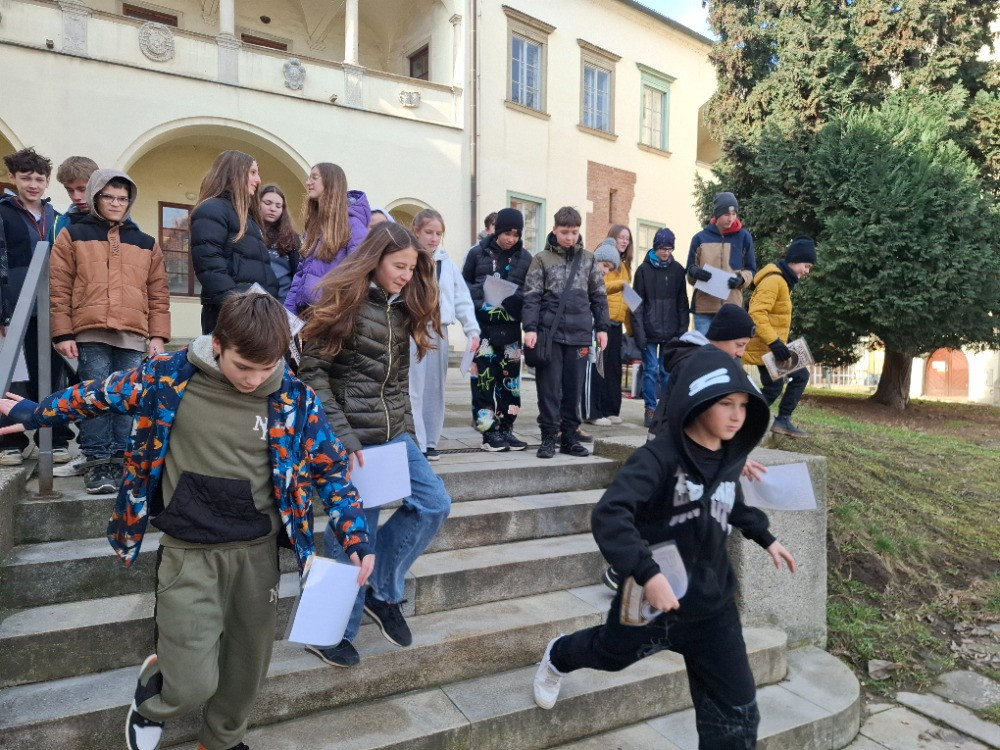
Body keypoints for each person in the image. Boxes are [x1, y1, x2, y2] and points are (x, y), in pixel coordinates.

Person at [0, 291, 373, 750]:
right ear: (218, 344)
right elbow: (101, 393)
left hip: (257, 556)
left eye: (266, 368)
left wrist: (355, 537)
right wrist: (36, 413)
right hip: (189, 551)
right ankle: (155, 695)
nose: (255, 379)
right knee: (192, 683)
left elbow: (331, 469)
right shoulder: (169, 376)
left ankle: (220, 742)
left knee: (245, 673)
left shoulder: (296, 399)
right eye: (244, 367)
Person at [532, 346, 796, 750]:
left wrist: (766, 536)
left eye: (743, 405)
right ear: (698, 401)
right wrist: (648, 573)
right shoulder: (657, 458)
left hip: (713, 608)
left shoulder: (729, 457)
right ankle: (558, 655)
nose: (737, 415)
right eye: (725, 404)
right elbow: (610, 514)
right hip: (651, 601)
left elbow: (730, 501)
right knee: (610, 653)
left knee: (737, 712)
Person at [298, 222, 451, 667]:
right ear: (375, 259)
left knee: (434, 503)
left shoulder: (401, 308)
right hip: (351, 439)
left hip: (393, 435)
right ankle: (326, 632)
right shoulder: (342, 300)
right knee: (351, 532)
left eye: (412, 268)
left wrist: (408, 435)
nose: (406, 275)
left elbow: (397, 382)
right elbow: (312, 374)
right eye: (399, 266)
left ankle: (381, 591)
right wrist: (342, 437)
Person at [49, 169, 171, 495]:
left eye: (122, 198)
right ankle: (97, 462)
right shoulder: (73, 235)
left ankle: (121, 460)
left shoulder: (145, 242)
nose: (116, 203)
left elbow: (158, 293)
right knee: (95, 396)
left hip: (132, 334)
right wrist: (63, 333)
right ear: (95, 197)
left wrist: (158, 336)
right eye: (109, 197)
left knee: (127, 398)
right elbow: (59, 288)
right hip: (89, 332)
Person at [0, 147, 74, 466]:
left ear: (47, 182)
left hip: (49, 310)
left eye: (39, 179)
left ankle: (55, 439)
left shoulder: (57, 217)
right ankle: (10, 442)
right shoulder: (3, 212)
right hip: (12, 309)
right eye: (26, 177)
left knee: (52, 376)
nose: (33, 184)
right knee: (10, 378)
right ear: (13, 178)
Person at [522, 206, 609, 459]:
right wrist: (530, 328)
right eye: (564, 232)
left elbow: (599, 296)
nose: (569, 237)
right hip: (549, 335)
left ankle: (569, 437)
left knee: (574, 389)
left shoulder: (589, 259)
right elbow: (531, 296)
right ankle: (549, 437)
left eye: (574, 232)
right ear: (554, 230)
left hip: (580, 334)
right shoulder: (541, 259)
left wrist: (602, 328)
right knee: (548, 389)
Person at [408, 209, 479, 459]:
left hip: (439, 329)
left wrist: (472, 329)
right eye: (429, 232)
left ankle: (430, 440)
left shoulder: (447, 265)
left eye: (439, 233)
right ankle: (416, 439)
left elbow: (461, 299)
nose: (434, 238)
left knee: (435, 388)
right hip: (413, 328)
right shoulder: (408, 258)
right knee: (413, 387)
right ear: (416, 231)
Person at [462, 207, 532, 451]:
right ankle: (488, 433)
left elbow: (531, 293)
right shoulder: (477, 253)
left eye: (516, 234)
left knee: (510, 385)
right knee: (483, 384)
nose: (511, 238)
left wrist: (515, 299)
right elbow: (464, 286)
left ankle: (506, 428)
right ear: (497, 231)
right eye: (506, 233)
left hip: (510, 332)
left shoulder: (526, 258)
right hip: (483, 331)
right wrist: (482, 297)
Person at [191, 150, 277, 334]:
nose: (258, 180)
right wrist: (239, 310)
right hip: (232, 318)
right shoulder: (211, 210)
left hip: (255, 316)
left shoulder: (248, 219)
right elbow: (210, 268)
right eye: (252, 172)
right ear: (235, 172)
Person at [743, 236, 817, 437]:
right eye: (806, 266)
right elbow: (756, 314)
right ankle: (742, 417)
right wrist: (774, 342)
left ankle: (776, 420)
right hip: (766, 345)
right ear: (795, 260)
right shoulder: (774, 280)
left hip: (773, 344)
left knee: (790, 380)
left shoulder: (783, 281)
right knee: (782, 383)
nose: (807, 271)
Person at [284, 162, 370, 315]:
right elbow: (300, 275)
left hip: (330, 318)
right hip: (306, 316)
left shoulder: (353, 225)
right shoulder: (315, 226)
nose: (308, 182)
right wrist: (288, 314)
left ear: (330, 182)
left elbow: (358, 276)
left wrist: (333, 314)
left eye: (314, 177)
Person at [632, 227, 689, 428]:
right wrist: (639, 332)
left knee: (666, 371)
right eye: (662, 248)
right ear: (655, 248)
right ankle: (650, 408)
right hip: (649, 331)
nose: (666, 252)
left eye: (669, 248)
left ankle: (664, 409)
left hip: (671, 330)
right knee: (650, 370)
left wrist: (682, 330)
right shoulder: (642, 271)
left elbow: (683, 302)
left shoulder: (678, 270)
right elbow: (636, 305)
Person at [686, 191, 757, 335]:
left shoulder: (744, 237)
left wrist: (741, 279)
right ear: (717, 215)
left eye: (734, 214)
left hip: (732, 308)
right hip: (704, 309)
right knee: (707, 349)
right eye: (726, 214)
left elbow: (751, 269)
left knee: (729, 349)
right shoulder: (699, 238)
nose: (731, 218)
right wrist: (695, 272)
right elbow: (689, 271)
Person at [591, 224, 634, 426]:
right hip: (602, 321)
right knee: (599, 366)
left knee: (614, 369)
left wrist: (631, 329)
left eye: (627, 238)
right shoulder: (602, 259)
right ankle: (595, 411)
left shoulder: (625, 266)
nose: (624, 241)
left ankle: (611, 409)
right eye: (621, 237)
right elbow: (598, 285)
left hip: (617, 323)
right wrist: (620, 285)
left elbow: (627, 299)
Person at [258, 184, 301, 306]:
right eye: (267, 203)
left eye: (278, 206)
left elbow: (297, 273)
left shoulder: (292, 238)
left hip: (282, 303)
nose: (273, 209)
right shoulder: (247, 231)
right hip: (254, 301)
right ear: (258, 204)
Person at [52, 156, 99, 238]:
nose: (76, 197)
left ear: (97, 185)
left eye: (82, 189)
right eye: (70, 190)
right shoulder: (59, 224)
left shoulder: (117, 220)